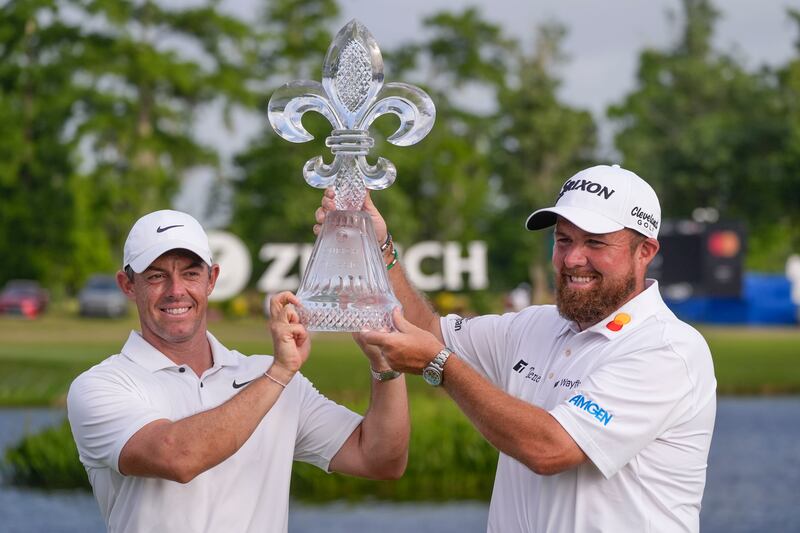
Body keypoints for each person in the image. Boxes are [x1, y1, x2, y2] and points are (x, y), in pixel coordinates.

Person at [316, 164, 717, 532]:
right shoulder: (536, 324)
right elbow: (424, 330)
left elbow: (550, 450)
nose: (574, 258)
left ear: (645, 251)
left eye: (595, 243)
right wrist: (379, 247)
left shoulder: (666, 350)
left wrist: (441, 365)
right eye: (563, 240)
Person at [67, 209, 409, 533]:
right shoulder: (101, 385)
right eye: (156, 276)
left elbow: (380, 459)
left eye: (190, 273)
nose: (176, 290)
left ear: (211, 279)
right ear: (128, 285)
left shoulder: (270, 378)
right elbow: (177, 456)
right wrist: (279, 372)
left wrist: (385, 365)